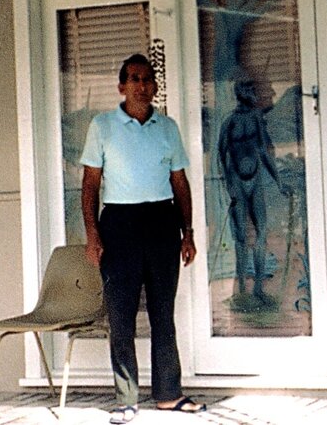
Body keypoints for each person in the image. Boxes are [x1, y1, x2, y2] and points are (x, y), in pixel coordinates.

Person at [81, 54, 203, 423]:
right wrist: (92, 235)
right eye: (134, 78)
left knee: (163, 312)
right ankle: (126, 398)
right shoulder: (102, 126)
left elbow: (179, 183)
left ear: (154, 86)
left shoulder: (167, 128)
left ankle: (168, 393)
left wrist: (188, 233)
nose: (141, 85)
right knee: (122, 314)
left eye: (148, 79)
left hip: (162, 222)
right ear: (121, 86)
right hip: (119, 223)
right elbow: (90, 184)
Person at [217, 78, 289, 306]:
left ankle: (258, 288)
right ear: (240, 92)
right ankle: (241, 290)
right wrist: (226, 185)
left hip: (256, 180)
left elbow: (266, 152)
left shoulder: (257, 120)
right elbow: (221, 155)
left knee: (262, 232)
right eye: (249, 90)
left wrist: (278, 182)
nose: (254, 94)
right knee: (240, 237)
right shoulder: (229, 123)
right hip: (237, 182)